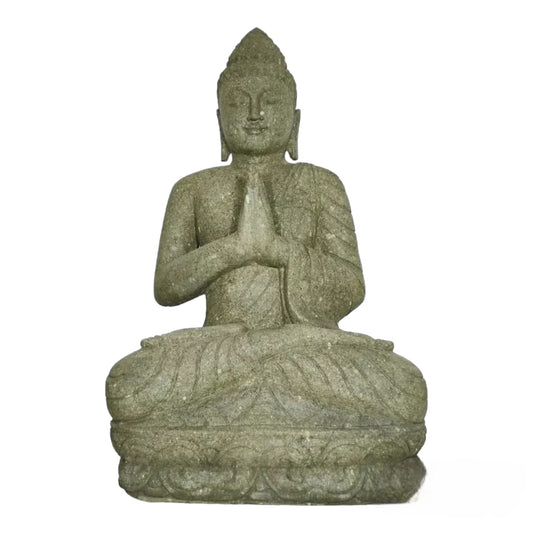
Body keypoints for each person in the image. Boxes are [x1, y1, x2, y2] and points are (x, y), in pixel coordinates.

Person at [106, 29, 427, 503]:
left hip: (303, 349)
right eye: (239, 103)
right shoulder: (193, 189)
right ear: (219, 121)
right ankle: (293, 411)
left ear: (294, 120)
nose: (255, 113)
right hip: (222, 351)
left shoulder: (321, 184)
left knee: (403, 388)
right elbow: (167, 286)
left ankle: (237, 407)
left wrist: (277, 249)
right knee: (129, 384)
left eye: (270, 102)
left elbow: (351, 286)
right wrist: (235, 248)